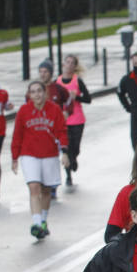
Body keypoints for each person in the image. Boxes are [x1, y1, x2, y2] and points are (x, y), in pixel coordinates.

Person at [10, 81, 69, 239]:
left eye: (39, 91)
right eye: (33, 92)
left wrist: (64, 152)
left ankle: (43, 220)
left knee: (46, 190)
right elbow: (17, 135)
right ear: (29, 95)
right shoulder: (24, 111)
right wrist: (14, 157)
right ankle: (36, 223)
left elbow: (61, 131)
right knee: (34, 187)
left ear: (45, 93)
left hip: (49, 154)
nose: (37, 94)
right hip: (29, 154)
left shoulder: (54, 110)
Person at [56, 54, 92, 187]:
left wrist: (76, 96)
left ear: (75, 66)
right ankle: (68, 176)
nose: (69, 65)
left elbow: (88, 99)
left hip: (77, 119)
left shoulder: (78, 81)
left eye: (72, 63)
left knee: (75, 148)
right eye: (67, 62)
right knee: (66, 148)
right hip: (63, 120)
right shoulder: (57, 82)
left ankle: (74, 158)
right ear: (63, 64)